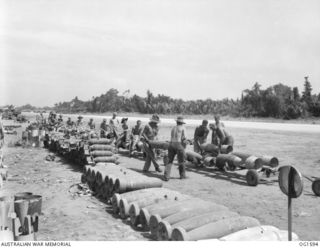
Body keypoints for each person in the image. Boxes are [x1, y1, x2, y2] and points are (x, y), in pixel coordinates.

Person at [164, 116, 188, 181]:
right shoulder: (183, 128)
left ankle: (166, 176)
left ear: (177, 122)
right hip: (178, 144)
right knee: (181, 161)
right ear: (182, 123)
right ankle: (182, 176)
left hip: (171, 144)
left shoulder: (173, 128)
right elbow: (184, 138)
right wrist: (188, 142)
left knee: (169, 161)